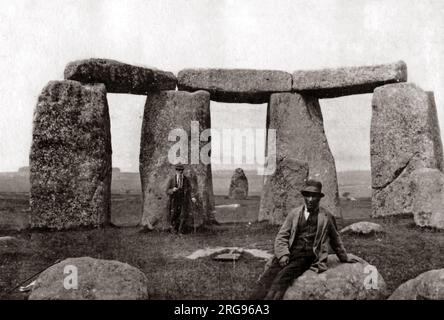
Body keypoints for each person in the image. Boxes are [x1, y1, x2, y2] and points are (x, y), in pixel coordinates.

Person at [250, 179, 359, 300]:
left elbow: (335, 240)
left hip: (308, 256)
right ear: (304, 197)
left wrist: (344, 257)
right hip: (291, 251)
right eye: (308, 195)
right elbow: (282, 236)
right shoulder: (294, 214)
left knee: (283, 276)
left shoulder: (327, 217)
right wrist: (283, 255)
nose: (311, 199)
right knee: (269, 274)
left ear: (319, 198)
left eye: (314, 196)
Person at [166, 163, 197, 234]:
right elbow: (167, 191)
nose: (180, 171)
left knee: (183, 214)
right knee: (174, 214)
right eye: (178, 170)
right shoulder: (172, 180)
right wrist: (172, 190)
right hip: (174, 200)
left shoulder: (186, 179)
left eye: (181, 170)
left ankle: (180, 230)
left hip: (183, 199)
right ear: (176, 170)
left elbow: (190, 189)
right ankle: (173, 229)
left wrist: (192, 197)